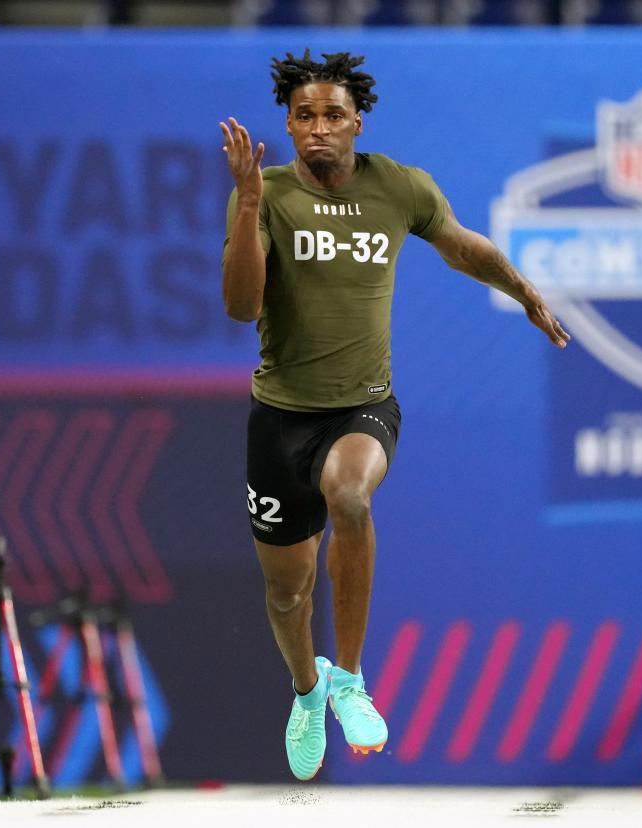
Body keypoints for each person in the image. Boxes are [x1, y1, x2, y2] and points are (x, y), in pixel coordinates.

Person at [219, 49, 571, 781]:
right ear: (287, 123)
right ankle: (308, 691)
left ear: (357, 122)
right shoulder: (269, 192)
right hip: (279, 418)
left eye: (333, 116)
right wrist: (250, 203)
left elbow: (459, 246)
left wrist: (522, 287)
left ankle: (348, 679)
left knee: (350, 495)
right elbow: (242, 307)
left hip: (362, 405)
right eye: (305, 116)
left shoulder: (399, 186)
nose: (318, 128)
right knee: (288, 592)